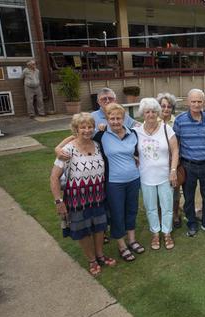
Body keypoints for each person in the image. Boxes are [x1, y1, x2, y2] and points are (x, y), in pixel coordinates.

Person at [50, 112, 114, 276]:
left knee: (100, 227)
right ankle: (91, 259)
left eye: (89, 127)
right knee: (83, 230)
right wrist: (58, 201)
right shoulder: (67, 150)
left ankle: (100, 255)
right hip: (77, 198)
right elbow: (54, 177)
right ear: (76, 129)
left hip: (98, 196)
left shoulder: (97, 145)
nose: (87, 130)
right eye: (82, 127)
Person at [96, 103, 144, 261]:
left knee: (132, 210)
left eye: (118, 118)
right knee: (117, 213)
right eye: (112, 118)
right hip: (113, 183)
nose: (115, 121)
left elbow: (136, 152)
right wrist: (59, 149)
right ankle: (122, 245)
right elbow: (78, 138)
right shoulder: (101, 136)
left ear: (124, 119)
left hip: (133, 179)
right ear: (107, 119)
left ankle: (132, 240)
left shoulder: (133, 134)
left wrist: (135, 157)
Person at [134, 98, 179, 250]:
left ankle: (166, 232)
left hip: (165, 176)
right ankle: (155, 232)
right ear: (142, 114)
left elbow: (175, 150)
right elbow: (127, 148)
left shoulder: (166, 129)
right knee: (151, 207)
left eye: (154, 111)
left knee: (167, 206)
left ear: (157, 112)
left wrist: (173, 170)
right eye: (147, 112)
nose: (151, 114)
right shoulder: (136, 131)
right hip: (146, 177)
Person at [173, 89, 205, 237]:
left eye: (199, 101)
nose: (196, 104)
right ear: (188, 102)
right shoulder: (179, 120)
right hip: (188, 165)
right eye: (193, 101)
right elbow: (176, 144)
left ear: (203, 102)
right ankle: (192, 224)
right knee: (189, 197)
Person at [157, 93, 182, 228]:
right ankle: (161, 215)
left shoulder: (177, 121)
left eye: (169, 106)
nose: (166, 109)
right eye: (163, 106)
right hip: (158, 163)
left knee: (175, 190)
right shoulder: (152, 121)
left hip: (174, 161)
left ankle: (175, 214)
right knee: (159, 191)